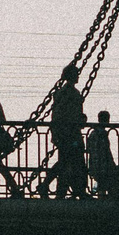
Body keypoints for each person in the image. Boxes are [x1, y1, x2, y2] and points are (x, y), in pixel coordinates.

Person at [45, 63, 90, 200]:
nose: (78, 77)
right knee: (74, 162)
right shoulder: (71, 93)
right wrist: (79, 119)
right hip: (71, 133)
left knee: (65, 161)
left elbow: (57, 114)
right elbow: (66, 114)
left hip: (65, 132)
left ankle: (62, 189)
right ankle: (78, 190)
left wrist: (55, 131)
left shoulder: (61, 92)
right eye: (76, 74)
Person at [87, 110, 119, 198]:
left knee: (101, 184)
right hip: (102, 164)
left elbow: (90, 149)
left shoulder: (93, 133)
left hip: (95, 162)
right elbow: (105, 150)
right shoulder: (102, 134)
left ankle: (101, 197)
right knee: (107, 182)